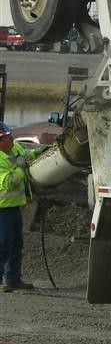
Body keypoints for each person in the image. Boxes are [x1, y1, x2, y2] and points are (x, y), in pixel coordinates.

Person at [0, 123, 34, 292]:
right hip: (2, 209)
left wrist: (41, 153)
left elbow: (27, 154)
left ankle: (13, 279)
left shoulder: (14, 149)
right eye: (8, 137)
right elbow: (8, 182)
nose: (12, 139)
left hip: (14, 207)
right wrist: (20, 168)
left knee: (16, 245)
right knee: (3, 245)